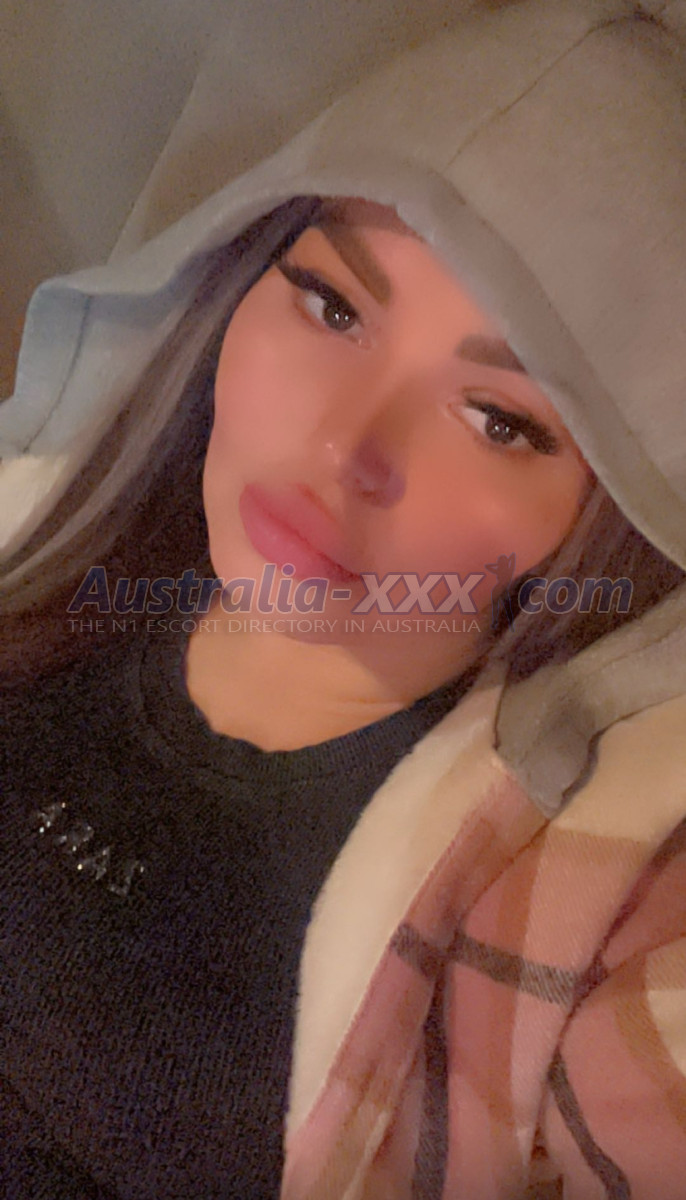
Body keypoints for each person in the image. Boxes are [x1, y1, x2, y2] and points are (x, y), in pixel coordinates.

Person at [2, 2, 686, 1197]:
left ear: (600, 519)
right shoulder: (49, 535)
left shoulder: (585, 895)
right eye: (330, 306)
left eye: (497, 420)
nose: (343, 447)